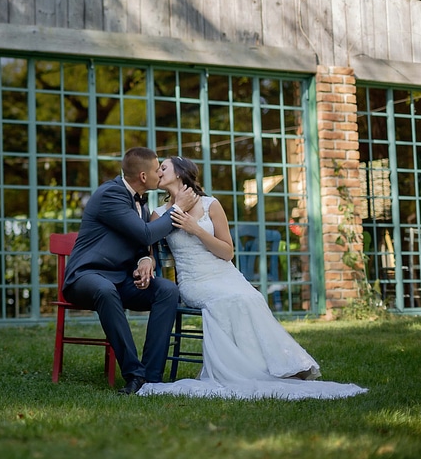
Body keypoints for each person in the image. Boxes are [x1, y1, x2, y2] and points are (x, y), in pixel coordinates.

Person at [138, 156, 368, 400]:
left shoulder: (210, 205)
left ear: (181, 173)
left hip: (223, 273)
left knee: (250, 296)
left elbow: (227, 252)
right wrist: (147, 260)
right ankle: (244, 370)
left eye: (163, 167)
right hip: (194, 280)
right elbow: (149, 247)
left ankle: (273, 367)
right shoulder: (159, 214)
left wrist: (195, 229)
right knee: (230, 300)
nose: (158, 171)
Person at [62, 147, 199, 395]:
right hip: (85, 277)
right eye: (158, 169)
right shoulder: (110, 194)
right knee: (104, 290)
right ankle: (134, 375)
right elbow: (146, 233)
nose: (161, 172)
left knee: (167, 290)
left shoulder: (142, 204)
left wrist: (145, 259)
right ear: (144, 177)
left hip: (121, 280)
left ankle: (152, 378)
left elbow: (140, 243)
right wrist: (177, 208)